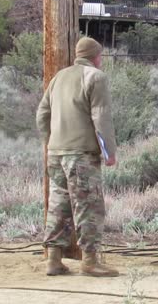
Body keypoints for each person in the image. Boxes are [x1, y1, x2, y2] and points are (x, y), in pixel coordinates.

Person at [36, 37, 119, 277]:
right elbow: (101, 117)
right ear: (96, 56)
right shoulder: (96, 77)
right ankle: (90, 261)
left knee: (58, 205)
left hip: (56, 152)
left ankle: (53, 259)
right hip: (81, 154)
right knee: (89, 205)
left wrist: (49, 141)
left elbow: (42, 113)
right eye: (100, 56)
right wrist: (109, 153)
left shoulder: (59, 77)